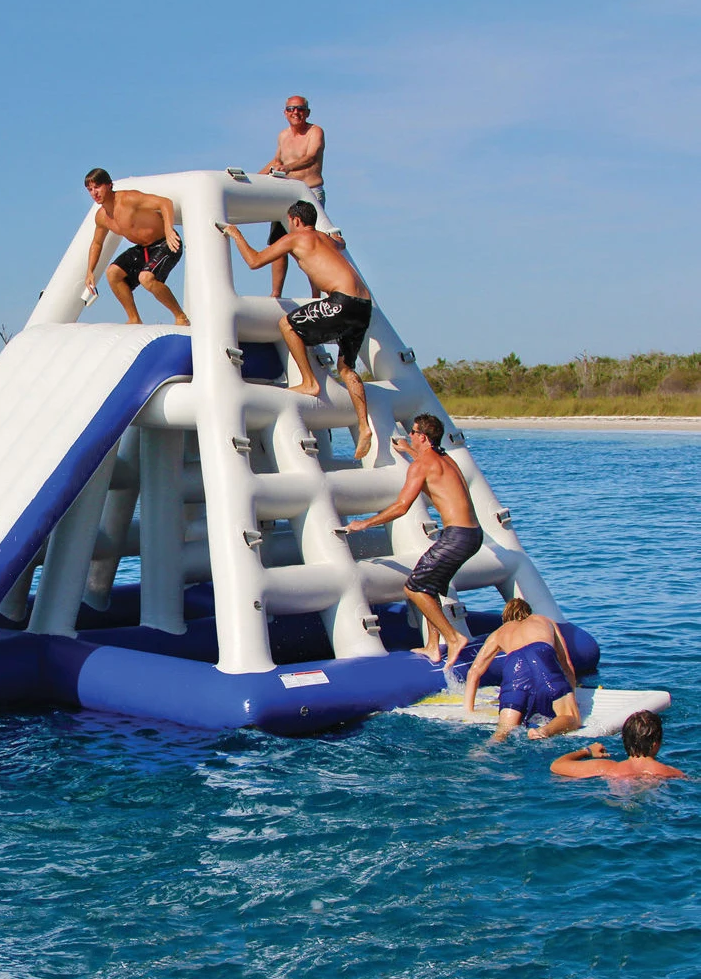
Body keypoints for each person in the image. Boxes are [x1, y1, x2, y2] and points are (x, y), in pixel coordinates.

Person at [221, 201, 373, 459]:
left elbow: (255, 260)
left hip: (342, 302)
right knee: (346, 368)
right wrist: (338, 239)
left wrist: (236, 234)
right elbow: (339, 245)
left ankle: (309, 382)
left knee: (287, 324)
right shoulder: (326, 239)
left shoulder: (295, 238)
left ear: (295, 220)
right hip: (363, 305)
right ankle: (364, 426)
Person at [344, 413, 482, 662]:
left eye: (413, 432)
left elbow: (401, 506)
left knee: (414, 587)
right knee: (432, 586)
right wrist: (408, 449)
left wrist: (364, 523)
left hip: (457, 536)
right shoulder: (444, 457)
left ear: (423, 437)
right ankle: (432, 646)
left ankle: (453, 638)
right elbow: (429, 466)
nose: (409, 434)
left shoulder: (421, 465)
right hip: (472, 534)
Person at [463, 598, 581, 742]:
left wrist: (469, 710)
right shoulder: (544, 620)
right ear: (528, 611)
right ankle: (543, 731)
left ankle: (482, 751)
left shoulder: (499, 632)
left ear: (505, 617)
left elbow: (474, 672)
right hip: (540, 657)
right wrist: (571, 696)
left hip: (514, 665)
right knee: (571, 717)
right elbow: (566, 663)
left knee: (503, 730)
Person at [83, 168, 189, 326]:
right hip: (143, 248)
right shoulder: (101, 217)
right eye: (90, 189)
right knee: (113, 273)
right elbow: (97, 243)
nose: (94, 193)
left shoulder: (128, 199)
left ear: (109, 185)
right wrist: (90, 271)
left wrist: (168, 230)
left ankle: (180, 316)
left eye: (97, 187)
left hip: (166, 242)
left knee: (146, 278)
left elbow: (165, 202)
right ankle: (134, 318)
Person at [260, 95, 326, 296]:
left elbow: (310, 158)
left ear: (307, 112)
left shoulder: (315, 132)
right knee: (278, 244)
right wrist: (252, 178)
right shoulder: (283, 135)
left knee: (308, 245)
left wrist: (286, 168)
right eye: (291, 109)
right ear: (285, 112)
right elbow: (276, 160)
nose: (295, 113)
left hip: (308, 193)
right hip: (284, 195)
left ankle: (316, 294)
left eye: (300, 109)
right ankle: (275, 293)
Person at [550, 710, 684, 779]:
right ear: (656, 744)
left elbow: (557, 765)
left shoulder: (607, 768)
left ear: (624, 739)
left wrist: (587, 751)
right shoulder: (672, 773)